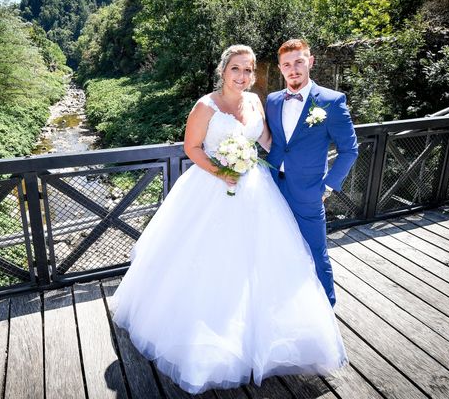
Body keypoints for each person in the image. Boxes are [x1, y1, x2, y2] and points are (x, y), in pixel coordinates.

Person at [110, 45, 347, 395]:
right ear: (223, 71)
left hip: (256, 189)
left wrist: (300, 157)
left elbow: (267, 140)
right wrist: (220, 170)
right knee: (207, 262)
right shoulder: (205, 106)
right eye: (236, 69)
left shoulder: (255, 102)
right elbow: (192, 148)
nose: (243, 76)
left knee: (262, 261)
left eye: (249, 70)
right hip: (211, 188)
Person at [265, 38, 358, 307]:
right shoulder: (271, 101)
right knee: (276, 246)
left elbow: (349, 150)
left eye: (298, 62)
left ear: (310, 61)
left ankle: (326, 308)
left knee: (316, 251)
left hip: (309, 192)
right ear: (281, 68)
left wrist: (327, 187)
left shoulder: (331, 100)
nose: (293, 69)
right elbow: (273, 141)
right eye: (286, 65)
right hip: (272, 188)